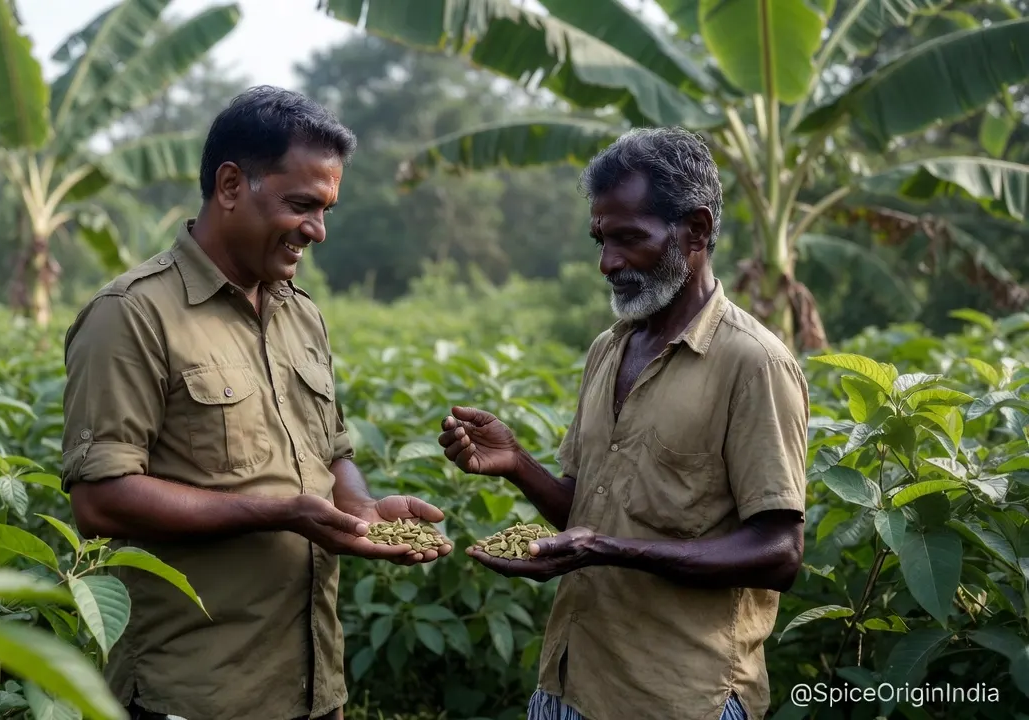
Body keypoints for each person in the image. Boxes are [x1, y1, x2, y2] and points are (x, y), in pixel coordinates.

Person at [60, 85, 452, 720]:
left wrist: (359, 508)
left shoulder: (302, 315)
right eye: (301, 205)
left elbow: (332, 448)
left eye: (326, 210)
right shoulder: (132, 315)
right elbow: (100, 499)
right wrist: (278, 513)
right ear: (232, 185)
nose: (317, 231)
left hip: (313, 684)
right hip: (198, 690)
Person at [437, 126, 808, 720]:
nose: (609, 263)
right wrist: (517, 465)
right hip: (568, 680)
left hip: (678, 696)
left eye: (630, 239)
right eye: (601, 240)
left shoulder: (752, 363)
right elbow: (591, 512)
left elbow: (779, 552)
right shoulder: (609, 350)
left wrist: (606, 548)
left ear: (697, 230)